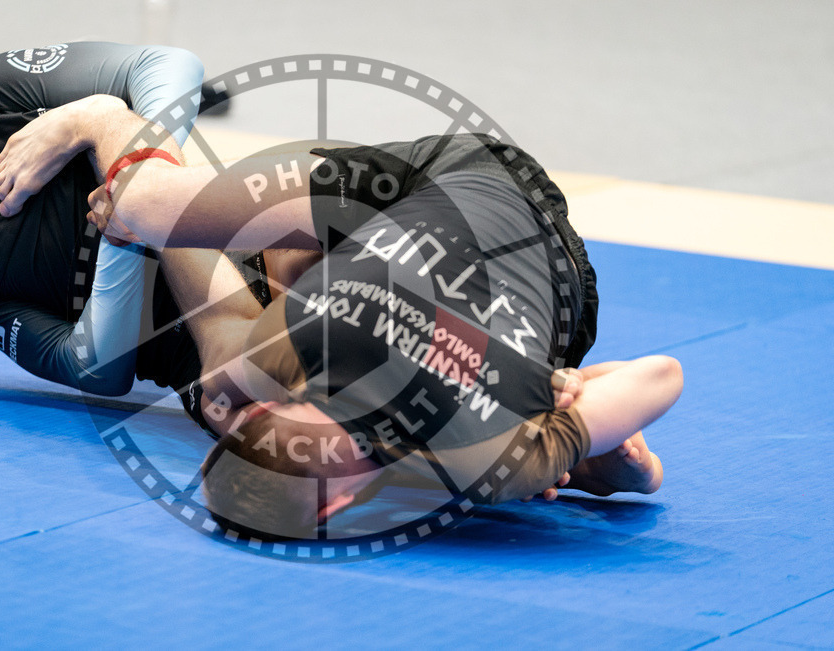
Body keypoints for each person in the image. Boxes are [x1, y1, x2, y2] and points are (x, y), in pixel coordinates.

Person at [85, 132, 680, 539]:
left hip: (488, 219)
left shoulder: (480, 460)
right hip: (481, 192)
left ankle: (99, 117)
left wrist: (576, 407)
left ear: (337, 507)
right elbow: (230, 377)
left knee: (148, 210)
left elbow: (660, 375)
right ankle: (102, 120)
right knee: (149, 215)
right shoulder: (292, 345)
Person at [0, 41, 291, 432]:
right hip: (193, 355)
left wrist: (92, 123)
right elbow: (96, 371)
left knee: (321, 231)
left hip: (246, 240)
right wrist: (123, 229)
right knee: (272, 440)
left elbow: (172, 66)